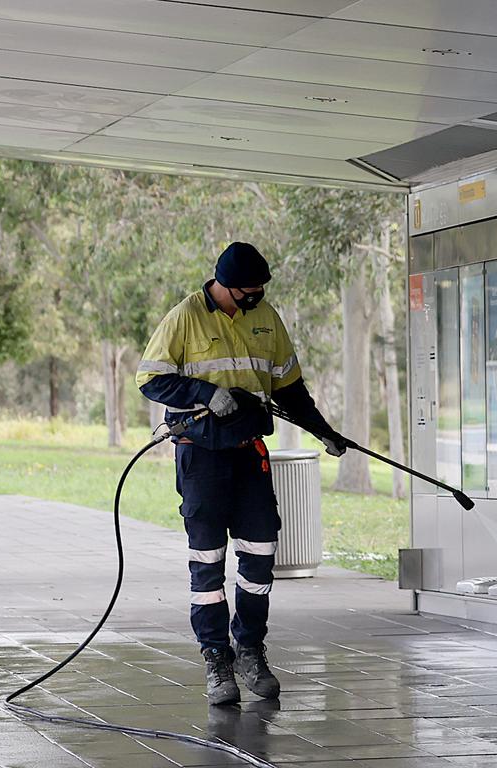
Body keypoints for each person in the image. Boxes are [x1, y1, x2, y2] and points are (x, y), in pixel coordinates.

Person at [136, 242, 348, 706]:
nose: (255, 298)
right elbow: (149, 378)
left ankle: (250, 650)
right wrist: (204, 392)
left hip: (249, 453)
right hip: (201, 457)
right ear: (224, 284)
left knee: (259, 556)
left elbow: (290, 389)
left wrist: (324, 432)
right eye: (248, 292)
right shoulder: (184, 317)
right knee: (208, 562)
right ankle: (216, 659)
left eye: (259, 291)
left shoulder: (267, 318)